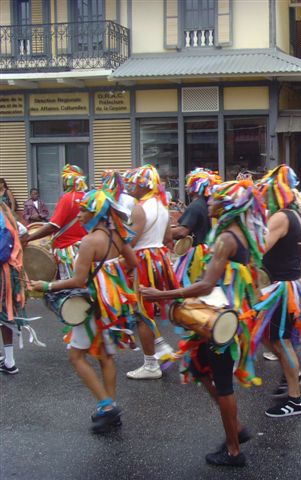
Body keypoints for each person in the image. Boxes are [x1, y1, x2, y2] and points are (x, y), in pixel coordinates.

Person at [141, 180, 267, 467]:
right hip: (221, 313)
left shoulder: (226, 238)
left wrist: (162, 294)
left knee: (223, 383)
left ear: (226, 206)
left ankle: (234, 450)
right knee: (199, 368)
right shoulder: (237, 232)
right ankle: (236, 429)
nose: (208, 202)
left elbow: (208, 283)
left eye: (214, 200)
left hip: (221, 320)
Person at [30, 189, 139, 433]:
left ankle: (107, 406)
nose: (79, 215)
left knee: (76, 356)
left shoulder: (90, 241)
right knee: (105, 356)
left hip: (92, 305)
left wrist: (46, 285)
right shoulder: (116, 236)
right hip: (110, 306)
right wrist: (110, 272)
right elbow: (132, 263)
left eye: (83, 210)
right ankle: (110, 411)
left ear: (96, 212)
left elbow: (78, 281)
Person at [253, 165, 301, 418]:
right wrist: (289, 255)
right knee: (268, 338)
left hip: (282, 288)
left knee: (280, 341)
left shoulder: (280, 217)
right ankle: (293, 374)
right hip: (289, 285)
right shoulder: (296, 216)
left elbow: (259, 248)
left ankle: (295, 399)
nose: (262, 195)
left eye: (265, 191)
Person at [124, 164, 179, 380]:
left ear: (142, 185)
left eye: (133, 184)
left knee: (141, 312)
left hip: (142, 260)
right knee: (150, 307)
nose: (130, 187)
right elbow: (168, 238)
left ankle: (150, 364)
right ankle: (161, 345)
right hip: (159, 258)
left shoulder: (140, 208)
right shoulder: (163, 206)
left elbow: (131, 241)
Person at [22, 165, 88, 279]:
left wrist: (28, 238)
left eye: (63, 179)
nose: (62, 182)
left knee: (69, 285)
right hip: (85, 248)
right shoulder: (87, 197)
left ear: (68, 180)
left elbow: (53, 226)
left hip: (69, 251)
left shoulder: (67, 199)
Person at [172, 168, 221, 285]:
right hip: (207, 252)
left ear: (195, 186)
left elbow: (182, 232)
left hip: (196, 256)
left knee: (188, 284)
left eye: (189, 183)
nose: (186, 186)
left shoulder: (195, 205)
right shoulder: (206, 204)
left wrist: (162, 232)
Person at [0, 202, 27, 374]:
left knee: (4, 314)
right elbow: (23, 231)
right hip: (8, 270)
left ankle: (9, 362)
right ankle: (9, 361)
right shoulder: (4, 210)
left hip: (2, 270)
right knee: (5, 314)